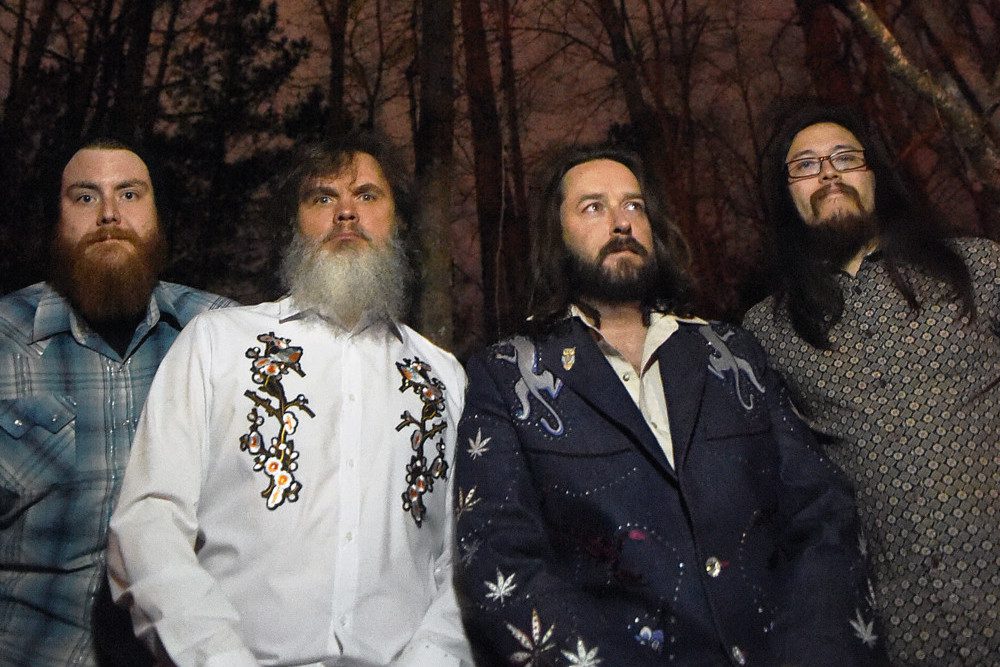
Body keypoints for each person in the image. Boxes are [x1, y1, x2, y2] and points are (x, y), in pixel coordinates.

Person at [454, 144, 880, 665]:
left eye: (634, 205)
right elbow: (499, 560)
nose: (621, 223)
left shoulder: (733, 354)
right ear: (556, 235)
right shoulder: (506, 374)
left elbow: (821, 512)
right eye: (593, 207)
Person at [107, 132, 472, 666]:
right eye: (323, 197)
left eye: (367, 195)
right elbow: (150, 520)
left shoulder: (444, 377)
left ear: (398, 223)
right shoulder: (216, 344)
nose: (346, 212)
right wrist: (219, 659)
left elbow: (464, 557)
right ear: (295, 225)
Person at [743, 101, 1000, 664]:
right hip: (911, 631)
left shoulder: (978, 269)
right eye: (806, 165)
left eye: (844, 157)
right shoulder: (768, 332)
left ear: (874, 175)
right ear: (786, 196)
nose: (828, 174)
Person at [0, 138, 235, 665]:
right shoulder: (4, 341)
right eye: (85, 198)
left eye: (130, 194)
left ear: (158, 217)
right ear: (55, 222)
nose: (109, 214)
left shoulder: (221, 336)